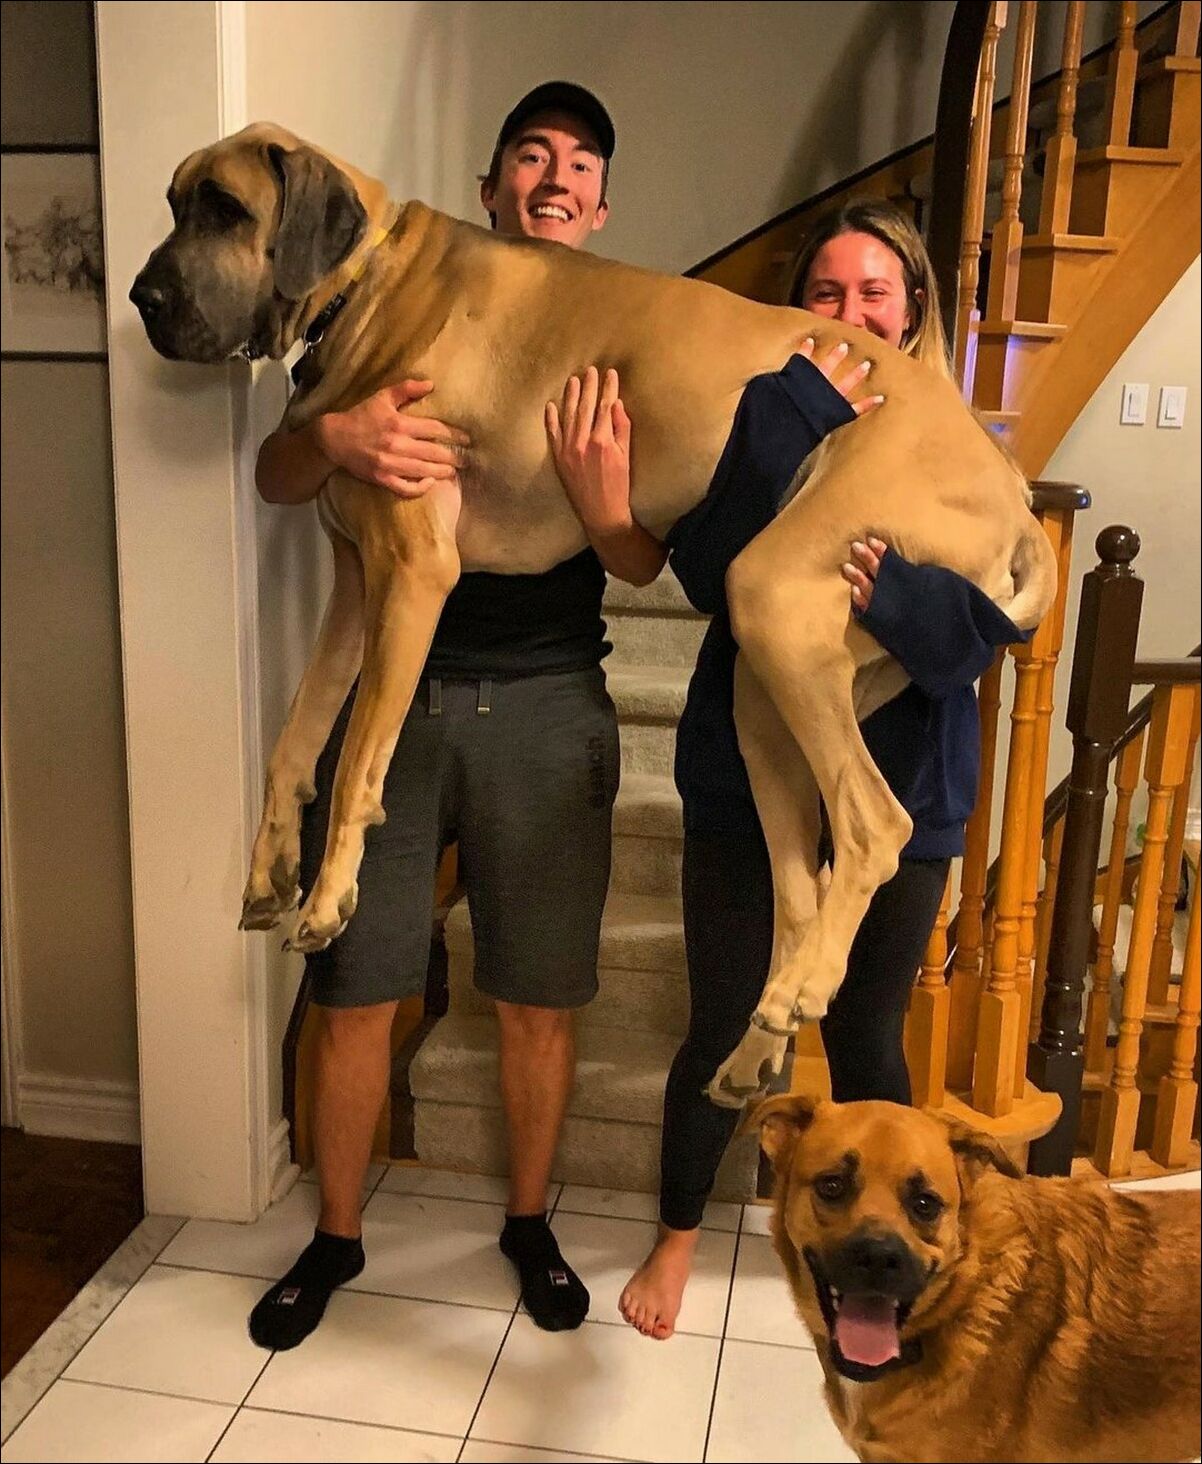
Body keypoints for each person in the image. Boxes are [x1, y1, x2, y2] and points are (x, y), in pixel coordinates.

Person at [548, 199, 1029, 1343]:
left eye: (873, 293)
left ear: (911, 313)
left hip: (903, 786)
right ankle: (677, 1234)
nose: (849, 311)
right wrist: (787, 418)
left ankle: (882, 1262)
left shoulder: (963, 454)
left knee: (863, 1034)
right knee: (722, 1021)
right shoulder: (762, 407)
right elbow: (713, 578)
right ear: (794, 308)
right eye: (825, 292)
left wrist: (894, 597)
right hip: (745, 768)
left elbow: (963, 651)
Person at [247, 82, 668, 1352]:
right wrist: (337, 432)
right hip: (394, 708)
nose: (554, 177)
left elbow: (644, 565)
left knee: (538, 997)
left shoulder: (620, 342)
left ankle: (528, 1225)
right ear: (489, 189)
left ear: (600, 208)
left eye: (580, 165)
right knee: (354, 989)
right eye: (530, 156)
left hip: (547, 710)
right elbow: (276, 475)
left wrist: (604, 504)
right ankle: (334, 1235)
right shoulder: (401, 317)